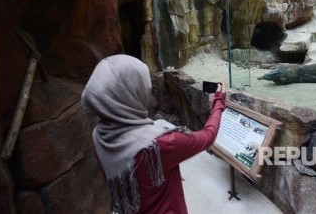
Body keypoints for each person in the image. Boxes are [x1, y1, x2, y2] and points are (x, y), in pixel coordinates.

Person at [81, 54, 226, 214]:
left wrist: (165, 169)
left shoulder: (100, 135)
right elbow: (208, 136)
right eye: (144, 89)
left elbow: (137, 176)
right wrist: (219, 101)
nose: (148, 96)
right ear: (128, 95)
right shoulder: (159, 146)